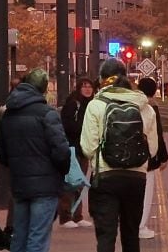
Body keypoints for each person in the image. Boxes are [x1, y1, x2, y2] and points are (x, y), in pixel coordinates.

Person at [81, 58, 159, 252]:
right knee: (131, 234)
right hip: (136, 178)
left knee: (106, 236)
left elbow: (88, 147)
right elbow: (153, 148)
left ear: (102, 78)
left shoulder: (96, 105)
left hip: (105, 177)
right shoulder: (146, 108)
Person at [0, 69, 71, 252]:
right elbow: (61, 151)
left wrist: (17, 166)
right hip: (46, 185)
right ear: (44, 89)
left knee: (20, 234)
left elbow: (1, 152)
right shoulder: (47, 114)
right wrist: (62, 171)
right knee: (38, 236)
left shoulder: (8, 114)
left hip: (20, 183)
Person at [58, 78, 97, 229]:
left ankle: (78, 215)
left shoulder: (91, 105)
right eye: (84, 86)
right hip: (73, 147)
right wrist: (85, 128)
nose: (87, 89)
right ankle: (66, 215)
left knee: (79, 182)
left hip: (83, 148)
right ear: (79, 88)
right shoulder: (73, 103)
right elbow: (67, 125)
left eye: (90, 87)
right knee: (70, 182)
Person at [136, 77, 168, 240]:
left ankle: (131, 224)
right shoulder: (151, 108)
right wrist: (163, 157)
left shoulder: (129, 104)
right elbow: (157, 134)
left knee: (132, 193)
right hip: (147, 158)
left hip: (128, 156)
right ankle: (140, 226)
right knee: (146, 192)